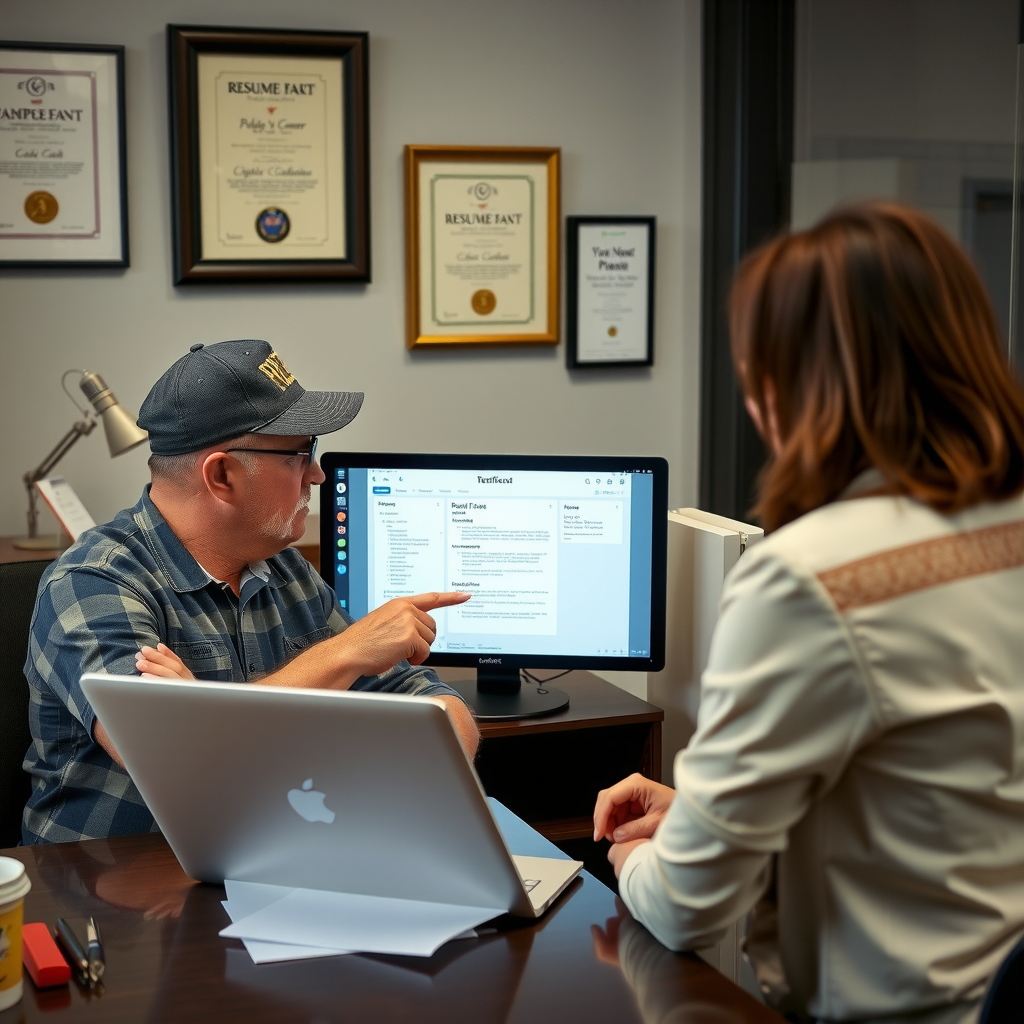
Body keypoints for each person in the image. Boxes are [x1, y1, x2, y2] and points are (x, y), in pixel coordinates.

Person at [593, 203, 1024, 1024]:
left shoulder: (812, 576)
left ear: (787, 386)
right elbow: (948, 786)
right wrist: (707, 820)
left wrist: (640, 862)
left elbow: (688, 907)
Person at [23, 339, 479, 845]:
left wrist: (207, 719)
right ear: (222, 474)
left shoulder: (284, 568)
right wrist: (343, 654)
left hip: (270, 851)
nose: (318, 474)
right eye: (300, 455)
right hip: (111, 877)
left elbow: (428, 703)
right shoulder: (92, 583)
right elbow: (174, 762)